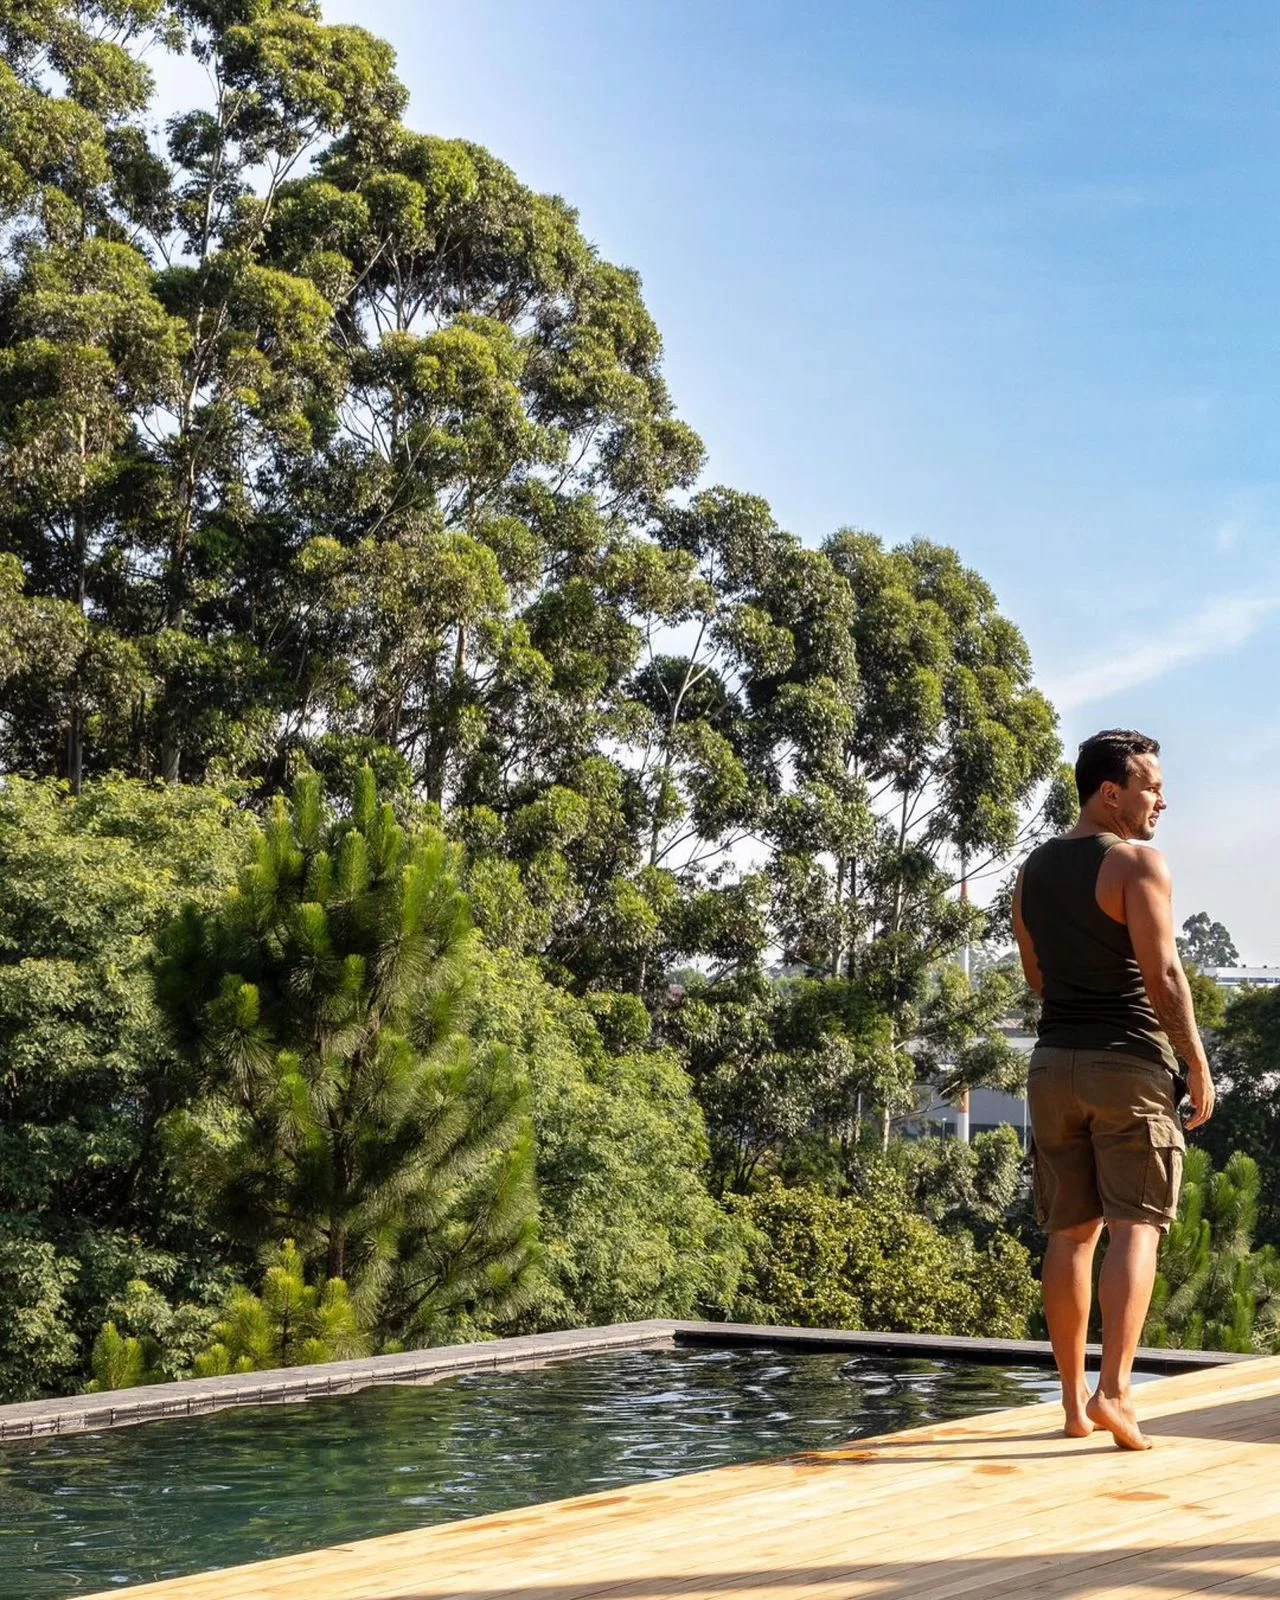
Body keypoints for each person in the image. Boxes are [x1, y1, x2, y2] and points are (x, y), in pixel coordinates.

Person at [1012, 728, 1215, 1451]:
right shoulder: (1135, 863)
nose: (1162, 799)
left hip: (1050, 1065)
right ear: (1111, 792)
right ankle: (1116, 1393)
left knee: (1070, 1232)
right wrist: (1194, 1061)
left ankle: (1071, 1404)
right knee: (1138, 1225)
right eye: (1151, 787)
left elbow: (1036, 974)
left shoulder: (1032, 870)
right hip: (1126, 1063)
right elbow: (1163, 978)